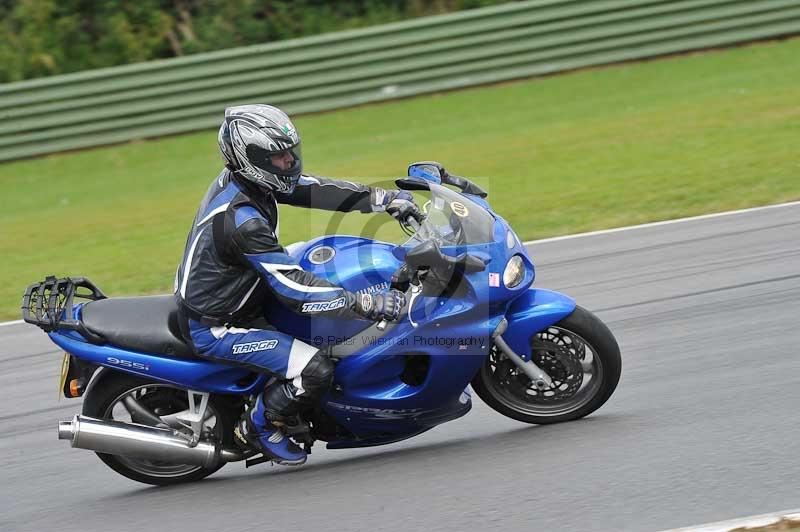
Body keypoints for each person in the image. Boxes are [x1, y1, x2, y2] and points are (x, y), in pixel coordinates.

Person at [174, 104, 418, 465]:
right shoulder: (242, 221)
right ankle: (260, 424)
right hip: (220, 324)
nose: (290, 162)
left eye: (291, 152)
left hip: (243, 293)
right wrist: (366, 304)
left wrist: (383, 199)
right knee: (315, 368)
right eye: (279, 157)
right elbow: (294, 289)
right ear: (251, 159)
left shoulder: (249, 182)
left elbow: (316, 190)